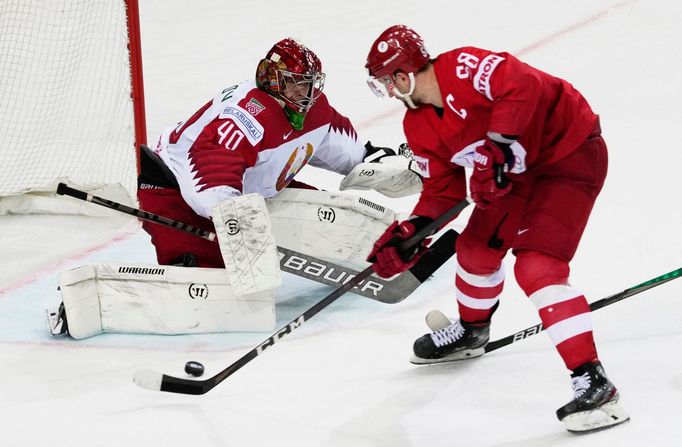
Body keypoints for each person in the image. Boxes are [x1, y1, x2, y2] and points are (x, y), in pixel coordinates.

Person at [364, 25, 628, 433]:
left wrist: (498, 144)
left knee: (538, 267)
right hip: (514, 175)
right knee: (474, 251)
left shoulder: (464, 66)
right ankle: (472, 332)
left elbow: (523, 85)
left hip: (569, 156)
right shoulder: (417, 127)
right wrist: (411, 234)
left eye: (384, 81)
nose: (386, 90)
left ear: (402, 76)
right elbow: (442, 194)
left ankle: (595, 382)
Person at [138, 37, 420, 269]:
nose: (304, 91)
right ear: (272, 79)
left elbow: (354, 155)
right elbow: (211, 180)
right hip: (173, 191)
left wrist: (390, 166)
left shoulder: (313, 109)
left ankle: (399, 253)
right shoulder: (245, 115)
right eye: (295, 82)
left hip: (253, 189)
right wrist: (243, 223)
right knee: (219, 274)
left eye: (309, 82)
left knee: (332, 217)